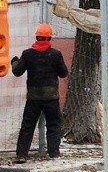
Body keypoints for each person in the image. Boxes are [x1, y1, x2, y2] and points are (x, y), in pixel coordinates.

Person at [11, 23, 69, 163]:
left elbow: (17, 72)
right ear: (49, 38)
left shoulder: (27, 54)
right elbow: (63, 73)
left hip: (33, 98)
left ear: (37, 37)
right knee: (53, 124)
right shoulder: (55, 54)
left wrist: (14, 62)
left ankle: (22, 155)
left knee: (28, 126)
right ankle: (54, 152)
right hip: (51, 97)